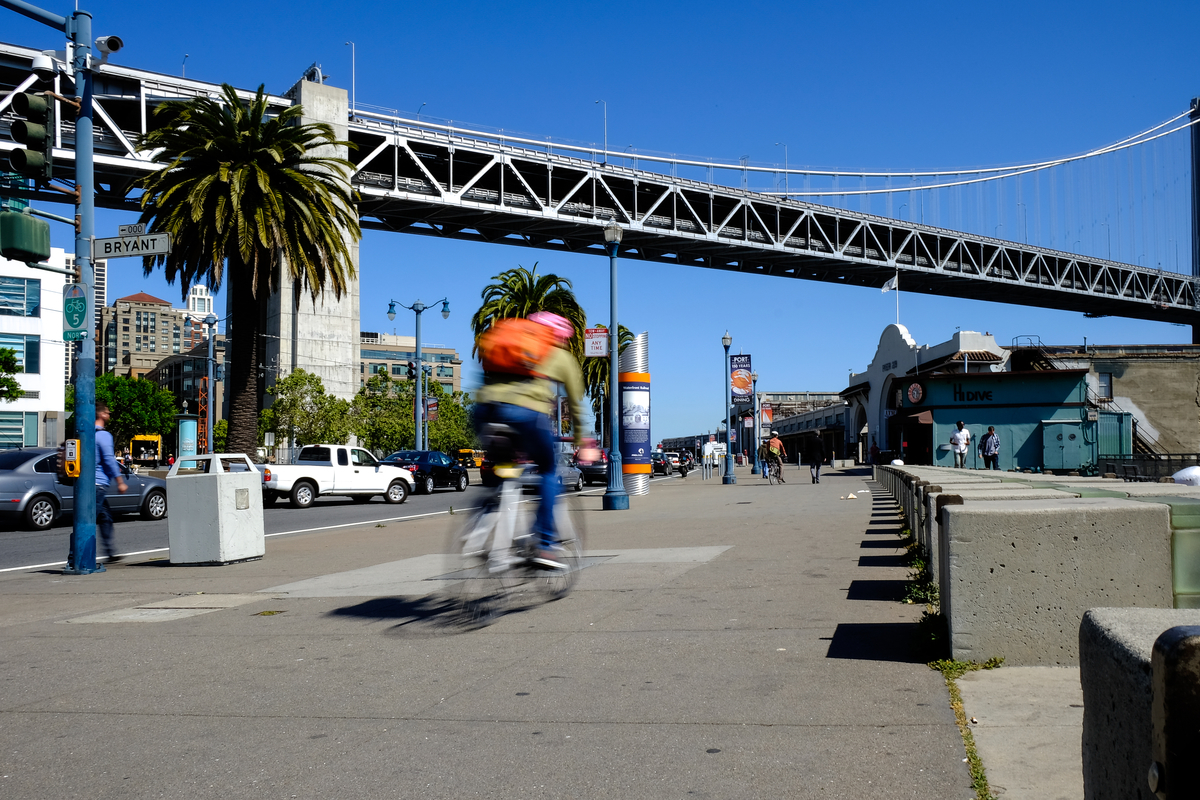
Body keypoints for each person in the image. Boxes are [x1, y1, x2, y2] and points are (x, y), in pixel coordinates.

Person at [475, 312, 596, 569]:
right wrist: (582, 441)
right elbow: (575, 403)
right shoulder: (558, 354)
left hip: (486, 411)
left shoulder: (508, 343)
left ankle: (476, 531)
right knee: (549, 471)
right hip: (527, 415)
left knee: (503, 473)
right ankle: (545, 545)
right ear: (561, 337)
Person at [94, 402, 128, 562]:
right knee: (88, 521)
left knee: (105, 517)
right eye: (107, 412)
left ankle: (110, 552)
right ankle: (77, 555)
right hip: (98, 484)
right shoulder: (103, 435)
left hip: (89, 484)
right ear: (101, 415)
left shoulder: (86, 434)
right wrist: (120, 481)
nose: (109, 415)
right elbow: (108, 459)